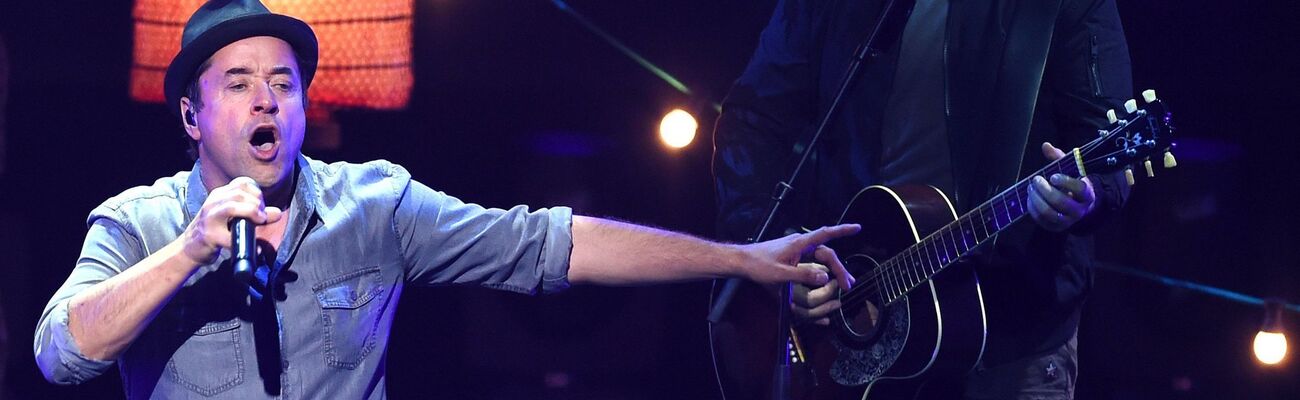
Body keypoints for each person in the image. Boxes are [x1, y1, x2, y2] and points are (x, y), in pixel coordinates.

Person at [33, 1, 860, 398]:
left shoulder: (377, 204)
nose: (265, 103)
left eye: (282, 83)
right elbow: (61, 355)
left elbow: (551, 246)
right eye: (240, 84)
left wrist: (743, 261)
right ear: (191, 113)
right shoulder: (138, 221)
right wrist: (189, 251)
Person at [713, 0, 1132, 398]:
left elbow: (1106, 145)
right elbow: (753, 118)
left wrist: (1086, 196)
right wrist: (775, 249)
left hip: (1012, 337)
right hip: (853, 313)